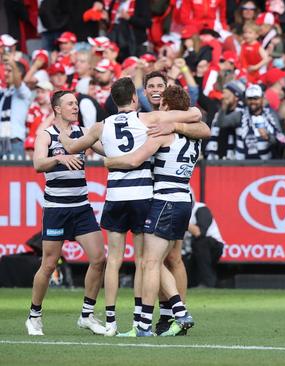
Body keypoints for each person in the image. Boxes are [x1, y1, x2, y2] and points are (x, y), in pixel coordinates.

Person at [59, 78, 206, 336]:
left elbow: (128, 157)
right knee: (158, 260)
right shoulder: (159, 124)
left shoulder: (137, 126)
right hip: (167, 196)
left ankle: (125, 322)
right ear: (136, 98)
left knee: (135, 261)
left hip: (141, 197)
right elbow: (200, 121)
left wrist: (106, 160)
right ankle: (168, 314)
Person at [104, 85, 210, 337]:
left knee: (149, 263)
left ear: (165, 108)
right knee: (158, 261)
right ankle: (179, 310)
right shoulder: (194, 136)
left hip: (164, 200)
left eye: (161, 103)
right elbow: (202, 126)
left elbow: (134, 160)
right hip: (184, 198)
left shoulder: (163, 133)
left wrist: (108, 160)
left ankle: (144, 325)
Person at [26, 91, 106, 336]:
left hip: (81, 207)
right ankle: (34, 316)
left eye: (76, 103)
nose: (75, 107)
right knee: (49, 265)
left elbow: (107, 150)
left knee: (99, 259)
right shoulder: (46, 134)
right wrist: (60, 158)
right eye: (70, 104)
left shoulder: (82, 132)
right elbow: (38, 164)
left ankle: (87, 315)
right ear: (57, 109)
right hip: (56, 209)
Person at [185, 201, 224, 288]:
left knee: (201, 243)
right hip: (189, 251)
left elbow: (199, 232)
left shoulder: (201, 209)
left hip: (212, 246)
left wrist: (181, 220)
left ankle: (207, 283)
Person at [0, 49, 30, 157]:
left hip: (14, 143)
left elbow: (18, 83)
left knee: (12, 174)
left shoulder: (24, 92)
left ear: (19, 73)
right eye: (5, 71)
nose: (5, 74)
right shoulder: (3, 93)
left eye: (9, 71)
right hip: (1, 142)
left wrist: (12, 62)